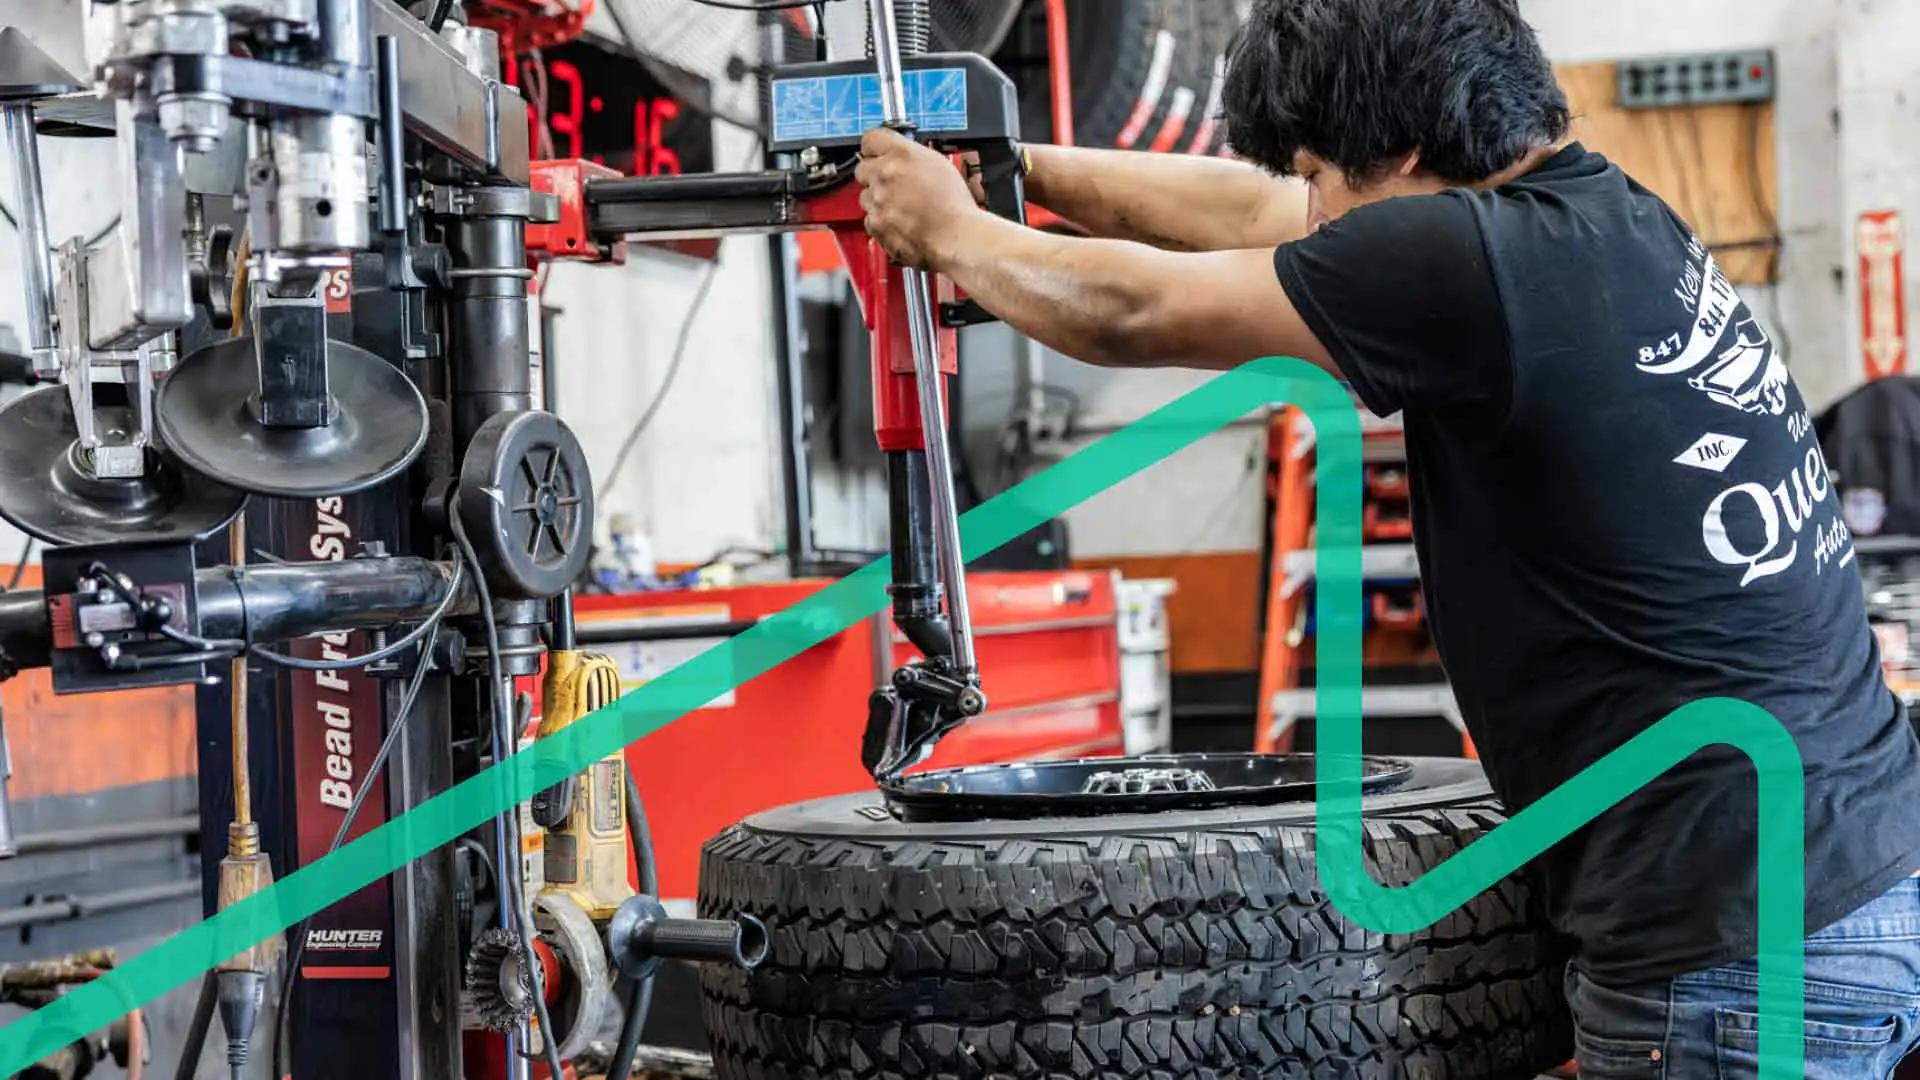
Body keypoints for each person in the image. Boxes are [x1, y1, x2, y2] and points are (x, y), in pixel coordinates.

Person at [854, 0, 1920, 1075]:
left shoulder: (1465, 260)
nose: (1310, 206)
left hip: (1731, 939)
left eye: (1320, 173)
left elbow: (1132, 312)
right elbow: (1257, 210)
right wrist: (1018, 168)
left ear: (1406, 151)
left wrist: (947, 231)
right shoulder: (1603, 214)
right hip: (1851, 872)